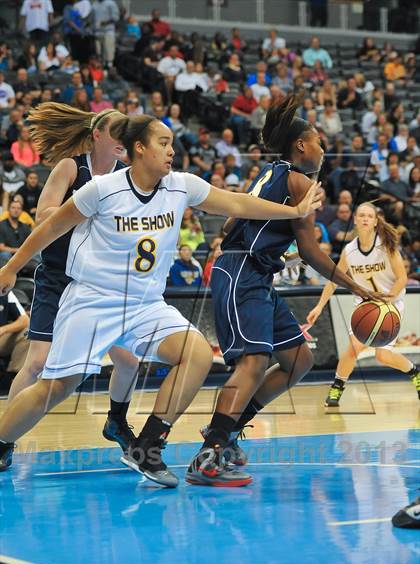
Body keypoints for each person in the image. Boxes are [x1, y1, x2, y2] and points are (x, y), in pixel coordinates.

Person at [0, 113, 324, 484]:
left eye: (172, 143)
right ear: (139, 148)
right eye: (163, 143)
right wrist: (10, 268)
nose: (172, 151)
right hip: (94, 299)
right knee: (56, 386)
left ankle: (147, 447)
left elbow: (237, 204)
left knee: (197, 354)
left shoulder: (180, 185)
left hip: (145, 305)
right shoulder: (102, 189)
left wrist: (295, 211)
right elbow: (49, 228)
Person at [188, 95, 385, 486]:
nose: (323, 150)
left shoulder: (269, 172)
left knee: (298, 360)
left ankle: (225, 434)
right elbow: (312, 251)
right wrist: (356, 287)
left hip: (250, 270)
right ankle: (208, 455)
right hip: (244, 271)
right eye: (319, 143)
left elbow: (234, 222)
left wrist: (270, 250)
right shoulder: (299, 180)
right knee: (254, 363)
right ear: (301, 146)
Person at [2, 103, 140, 469]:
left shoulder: (125, 177)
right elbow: (44, 215)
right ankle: (4, 438)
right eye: (117, 135)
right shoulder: (71, 167)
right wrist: (86, 207)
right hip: (58, 277)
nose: (123, 142)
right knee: (37, 364)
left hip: (99, 283)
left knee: (128, 360)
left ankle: (116, 421)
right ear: (96, 136)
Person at [307, 202, 420, 406]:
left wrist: (388, 299)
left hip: (389, 305)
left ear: (376, 222)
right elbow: (333, 279)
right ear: (355, 220)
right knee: (353, 348)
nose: (366, 218)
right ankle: (337, 389)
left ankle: (414, 371)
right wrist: (319, 306)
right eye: (362, 215)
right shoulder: (349, 251)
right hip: (365, 306)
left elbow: (402, 278)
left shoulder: (385, 246)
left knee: (383, 356)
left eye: (370, 215)